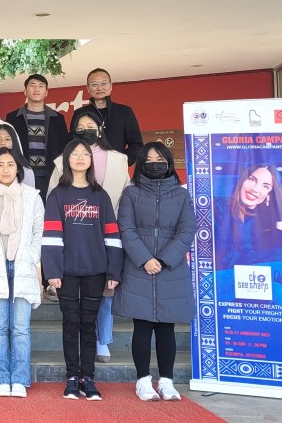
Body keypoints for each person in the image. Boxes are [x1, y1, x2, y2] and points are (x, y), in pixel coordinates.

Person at [42, 139, 122, 401]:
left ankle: (89, 377)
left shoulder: (100, 196)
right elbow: (51, 237)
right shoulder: (57, 195)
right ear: (67, 160)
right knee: (70, 323)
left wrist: (113, 272)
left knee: (89, 325)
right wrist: (52, 271)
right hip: (66, 272)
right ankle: (72, 377)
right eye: (74, 154)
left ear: (90, 160)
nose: (79, 158)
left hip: (95, 270)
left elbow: (112, 236)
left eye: (84, 154)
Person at [113, 142, 194, 402]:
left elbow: (186, 230)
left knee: (166, 328)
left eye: (159, 158)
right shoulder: (131, 193)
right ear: (141, 164)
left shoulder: (181, 195)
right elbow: (126, 229)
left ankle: (167, 381)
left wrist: (165, 258)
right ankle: (143, 380)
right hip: (140, 269)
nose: (154, 163)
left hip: (171, 269)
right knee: (142, 326)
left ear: (169, 162)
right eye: (149, 159)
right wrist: (145, 259)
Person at [49, 110, 130, 362]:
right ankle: (77, 367)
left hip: (105, 231)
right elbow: (54, 202)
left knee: (105, 292)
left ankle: (102, 339)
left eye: (90, 125)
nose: (86, 128)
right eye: (80, 125)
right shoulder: (60, 163)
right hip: (73, 237)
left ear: (100, 127)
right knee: (74, 313)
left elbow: (125, 197)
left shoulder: (118, 159)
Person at [0, 147, 44, 398]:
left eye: (10, 164)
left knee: (21, 327)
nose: (5, 169)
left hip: (22, 265)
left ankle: (20, 379)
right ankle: (1, 378)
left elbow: (39, 233)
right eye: (0, 164)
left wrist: (32, 257)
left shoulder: (32, 197)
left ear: (18, 168)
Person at [213, 164, 282, 313]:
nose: (255, 189)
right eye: (252, 179)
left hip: (244, 279)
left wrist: (277, 213)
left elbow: (273, 250)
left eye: (265, 186)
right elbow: (226, 258)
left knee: (278, 291)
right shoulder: (219, 209)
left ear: (269, 194)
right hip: (215, 279)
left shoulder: (253, 217)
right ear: (242, 180)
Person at [5, 74, 69, 198]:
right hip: (22, 175)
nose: (36, 89)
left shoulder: (57, 118)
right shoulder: (13, 117)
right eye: (32, 86)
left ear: (46, 92)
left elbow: (64, 148)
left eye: (41, 86)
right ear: (25, 91)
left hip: (50, 176)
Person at [71, 68, 143, 165]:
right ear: (88, 88)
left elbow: (136, 144)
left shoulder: (124, 112)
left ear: (111, 86)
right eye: (94, 84)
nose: (99, 88)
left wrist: (122, 161)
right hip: (87, 169)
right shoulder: (79, 113)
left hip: (116, 169)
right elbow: (72, 143)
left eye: (104, 83)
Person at [0, 124, 36, 189]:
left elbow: (30, 196)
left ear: (14, 142)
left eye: (7, 139)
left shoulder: (26, 171)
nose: (3, 143)